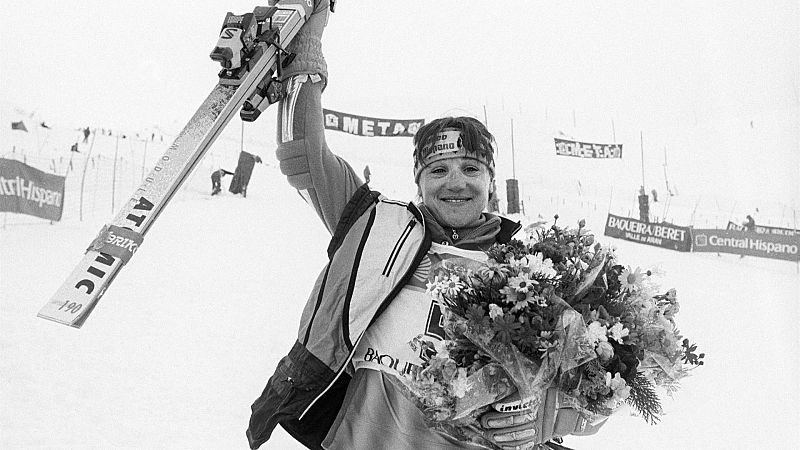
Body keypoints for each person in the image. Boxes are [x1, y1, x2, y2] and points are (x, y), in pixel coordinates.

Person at [246, 2, 604, 449]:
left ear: (491, 183)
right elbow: (303, 154)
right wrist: (308, 51)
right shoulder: (375, 225)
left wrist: (554, 417)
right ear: (419, 182)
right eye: (438, 171)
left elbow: (600, 389)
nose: (456, 182)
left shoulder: (533, 266)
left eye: (471, 168)